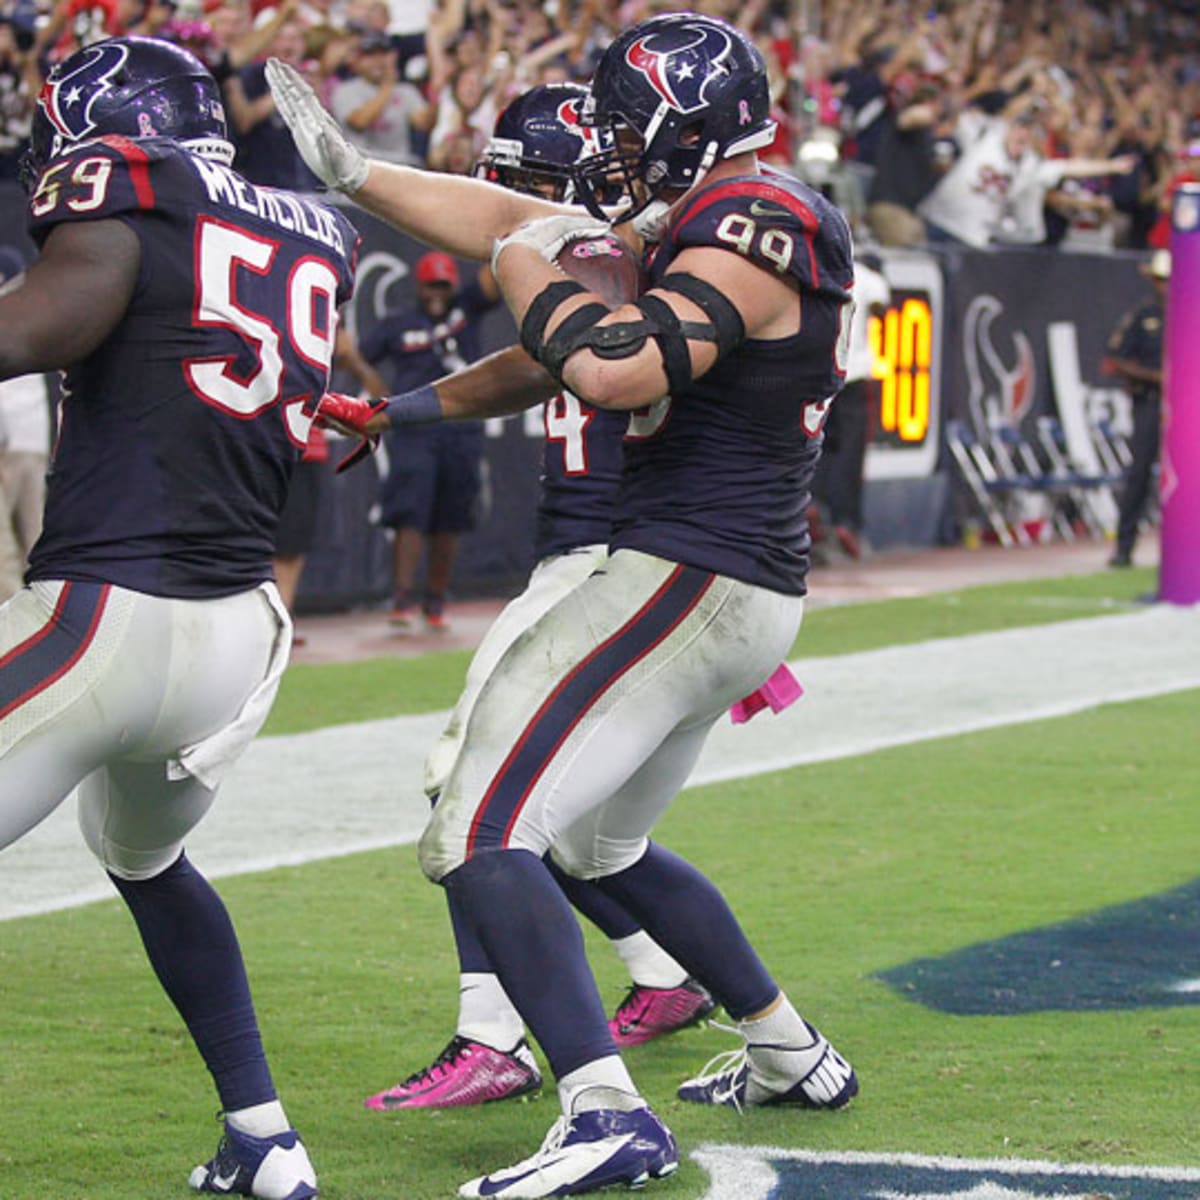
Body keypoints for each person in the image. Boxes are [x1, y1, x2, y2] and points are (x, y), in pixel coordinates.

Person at [268, 12, 857, 1198]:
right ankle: (788, 1049)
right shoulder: (708, 210)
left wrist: (528, 264)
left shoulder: (758, 217)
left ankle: (601, 1112)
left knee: (476, 830)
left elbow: (615, 365)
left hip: (686, 571)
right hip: (720, 576)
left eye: (634, 135)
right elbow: (511, 230)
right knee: (598, 845)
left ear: (685, 133)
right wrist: (360, 175)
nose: (619, 159)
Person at [1, 35, 359, 1199]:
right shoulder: (305, 224)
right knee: (150, 860)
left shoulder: (126, 193)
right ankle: (264, 1136)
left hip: (108, 617)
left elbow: (35, 329)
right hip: (236, 636)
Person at [332, 83, 715, 1113]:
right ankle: (675, 980)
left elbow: (559, 353)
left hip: (604, 561)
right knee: (574, 826)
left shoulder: (610, 254)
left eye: (520, 180)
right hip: (611, 558)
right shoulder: (619, 262)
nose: (498, 194)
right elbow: (525, 364)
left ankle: (495, 1032)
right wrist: (397, 411)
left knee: (474, 785)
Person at [359, 248, 500, 631]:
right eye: (430, 285)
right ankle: (402, 599)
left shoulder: (466, 309)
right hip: (415, 429)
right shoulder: (398, 323)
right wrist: (377, 391)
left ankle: (435, 600)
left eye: (443, 284)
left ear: (453, 285)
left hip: (463, 427)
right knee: (410, 511)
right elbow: (358, 355)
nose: (437, 292)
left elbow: (496, 276)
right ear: (418, 287)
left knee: (450, 516)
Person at [812, 251, 891, 561]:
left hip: (818, 375)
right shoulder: (867, 276)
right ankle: (846, 521)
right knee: (851, 453)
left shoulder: (817, 266)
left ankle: (814, 512)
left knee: (814, 449)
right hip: (854, 375)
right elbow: (881, 308)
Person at [1102, 247, 1168, 568]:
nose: (1164, 287)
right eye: (1160, 280)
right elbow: (1115, 359)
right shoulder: (1143, 317)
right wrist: (1153, 376)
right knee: (1139, 473)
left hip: (1186, 408)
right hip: (1151, 402)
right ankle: (1124, 547)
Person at [0, 245, 51, 601]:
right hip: (33, 441)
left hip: (13, 443)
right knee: (35, 543)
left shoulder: (14, 319)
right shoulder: (36, 316)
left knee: (8, 554)